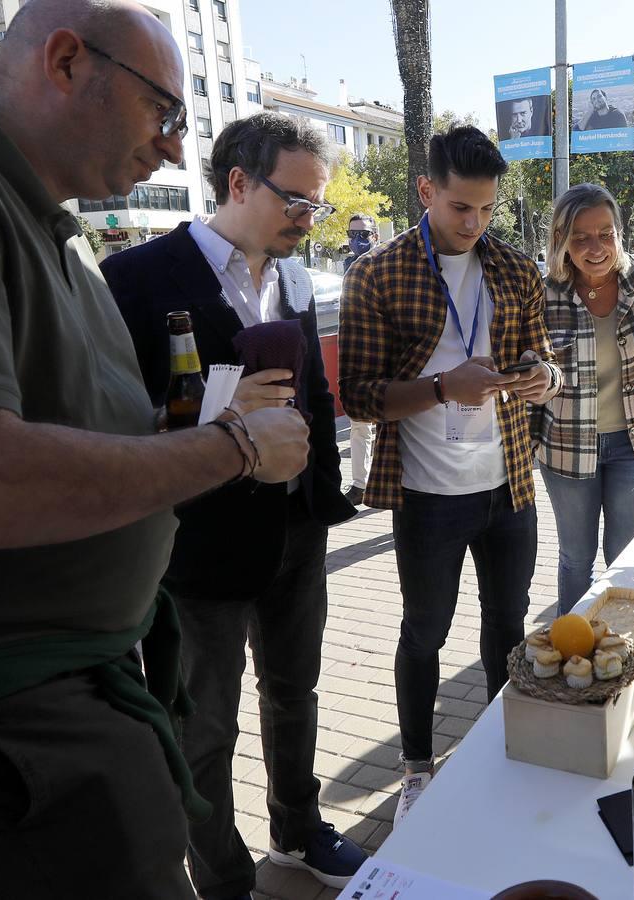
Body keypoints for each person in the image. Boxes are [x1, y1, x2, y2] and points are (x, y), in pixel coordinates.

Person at [0, 2, 309, 896]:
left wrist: (199, 428)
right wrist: (231, 446)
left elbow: (87, 423)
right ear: (65, 61)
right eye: (165, 114)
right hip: (16, 712)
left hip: (74, 688)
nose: (175, 150)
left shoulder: (45, 220)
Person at [103, 112, 366, 896]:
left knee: (296, 694)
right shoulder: (138, 279)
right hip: (196, 548)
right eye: (296, 200)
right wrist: (221, 415)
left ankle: (298, 829)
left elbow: (313, 397)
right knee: (204, 728)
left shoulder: (290, 276)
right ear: (238, 182)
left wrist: (323, 500)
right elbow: (109, 420)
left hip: (294, 532)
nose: (306, 219)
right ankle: (222, 878)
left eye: (316, 206)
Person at [338, 126, 561, 823]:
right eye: (461, 207)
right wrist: (442, 389)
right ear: (426, 190)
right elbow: (359, 396)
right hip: (428, 495)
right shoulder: (377, 273)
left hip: (510, 487)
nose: (475, 223)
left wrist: (543, 378)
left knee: (508, 624)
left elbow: (543, 355)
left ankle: (503, 746)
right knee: (424, 633)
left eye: (488, 209)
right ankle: (414, 770)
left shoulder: (516, 269)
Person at [535, 185, 634, 615]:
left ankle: (619, 649)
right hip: (565, 447)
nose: (595, 246)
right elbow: (529, 360)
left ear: (619, 232)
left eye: (605, 233)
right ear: (561, 241)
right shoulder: (545, 293)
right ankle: (572, 653)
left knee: (625, 556)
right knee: (576, 560)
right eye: (580, 237)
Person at [343, 212, 381, 505]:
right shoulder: (346, 269)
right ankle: (360, 483)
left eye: (365, 234)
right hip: (357, 359)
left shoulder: (388, 266)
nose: (359, 240)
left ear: (376, 236)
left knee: (390, 423)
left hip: (386, 358)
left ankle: (388, 480)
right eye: (354, 234)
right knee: (359, 423)